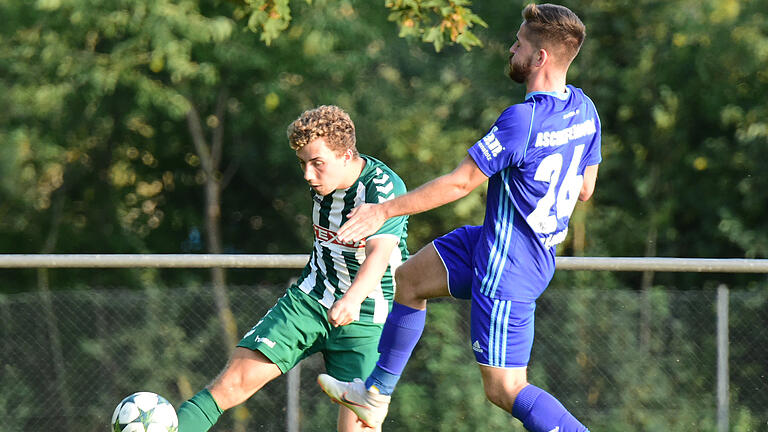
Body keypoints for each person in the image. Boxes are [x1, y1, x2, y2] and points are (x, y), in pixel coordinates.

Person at [317, 4, 600, 432]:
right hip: (494, 241)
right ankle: (374, 396)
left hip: (509, 265)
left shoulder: (522, 120)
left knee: (504, 389)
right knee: (409, 280)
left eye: (519, 43)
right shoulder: (584, 109)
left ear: (540, 57)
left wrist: (383, 210)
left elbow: (458, 184)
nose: (511, 48)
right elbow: (584, 189)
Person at [176, 105, 409, 432]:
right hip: (309, 301)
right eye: (302, 164)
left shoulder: (383, 187)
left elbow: (379, 254)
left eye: (317, 164)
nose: (307, 175)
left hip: (366, 317)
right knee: (232, 384)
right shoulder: (324, 184)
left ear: (346, 154)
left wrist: (353, 299)